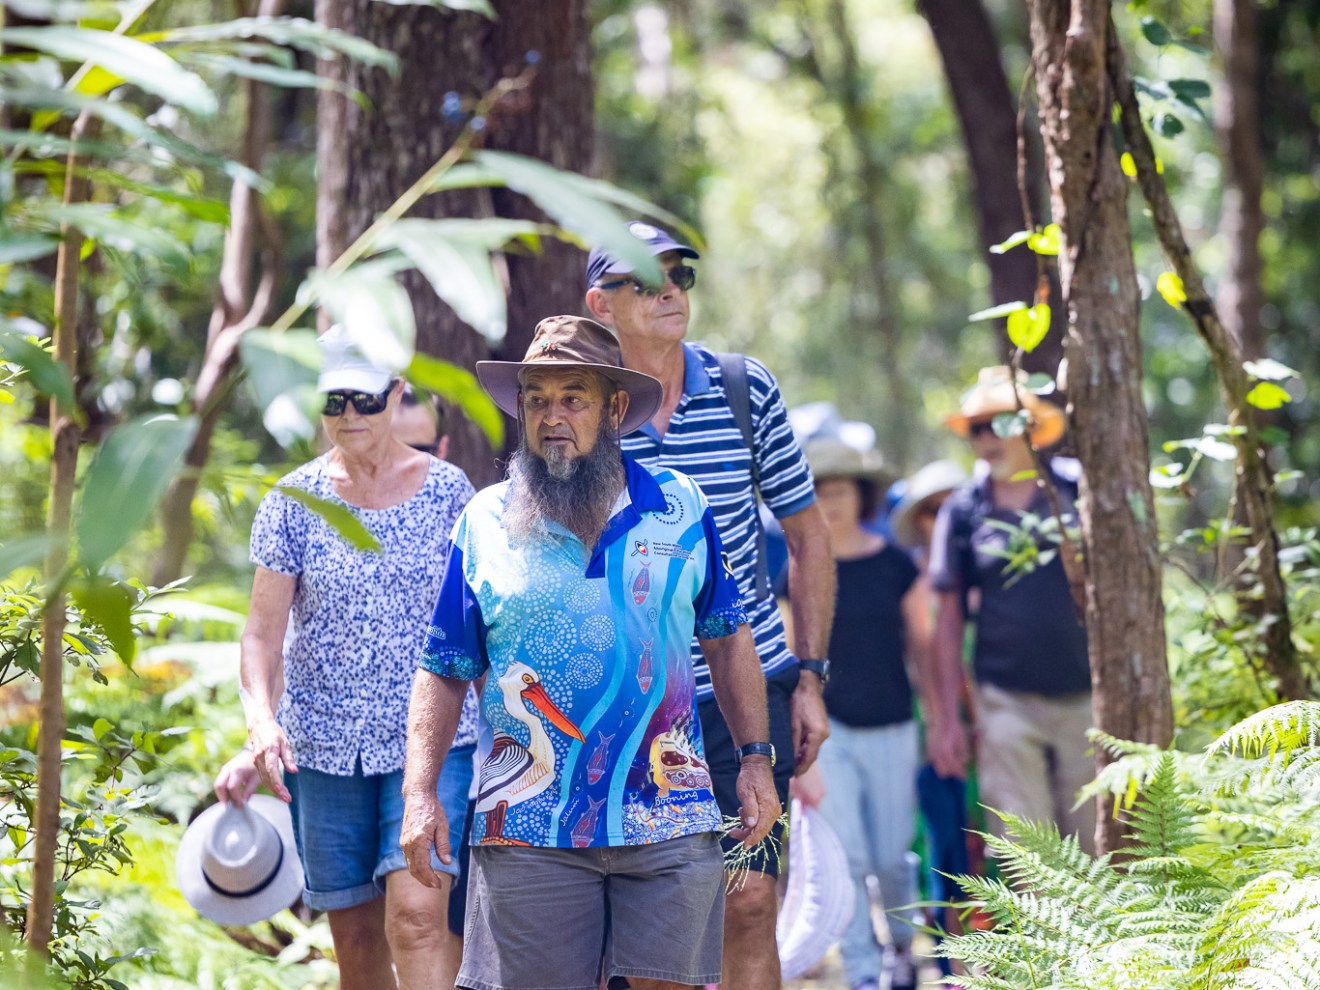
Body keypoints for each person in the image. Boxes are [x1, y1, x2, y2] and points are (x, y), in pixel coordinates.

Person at [401, 315, 781, 990]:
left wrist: (755, 759)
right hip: (528, 830)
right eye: (537, 399)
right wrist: (420, 794)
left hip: (668, 811)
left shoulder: (680, 507)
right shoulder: (484, 521)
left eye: (572, 397)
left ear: (612, 409)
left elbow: (727, 639)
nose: (552, 417)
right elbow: (443, 666)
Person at [584, 220, 834, 990]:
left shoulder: (742, 386)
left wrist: (813, 675)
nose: (668, 292)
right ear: (601, 304)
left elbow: (808, 534)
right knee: (643, 919)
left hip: (748, 692)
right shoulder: (581, 407)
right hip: (624, 699)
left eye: (679, 275)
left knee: (752, 899)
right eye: (644, 280)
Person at [236, 325, 475, 990]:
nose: (349, 417)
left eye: (366, 401)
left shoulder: (449, 492)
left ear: (397, 395)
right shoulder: (293, 501)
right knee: (359, 940)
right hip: (325, 746)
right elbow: (261, 636)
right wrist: (260, 718)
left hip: (432, 743)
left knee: (420, 916)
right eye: (333, 401)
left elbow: (477, 619)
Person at [925, 366, 1095, 853]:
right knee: (1026, 850)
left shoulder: (1076, 492)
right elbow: (948, 619)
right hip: (1004, 701)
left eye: (1000, 424)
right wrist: (946, 720)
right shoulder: (962, 510)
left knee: (1092, 847)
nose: (986, 439)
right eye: (977, 428)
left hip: (1086, 698)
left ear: (1030, 427)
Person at [800, 436, 927, 990]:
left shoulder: (897, 566)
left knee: (891, 855)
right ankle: (861, 972)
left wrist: (946, 717)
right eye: (820, 491)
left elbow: (924, 645)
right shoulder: (802, 571)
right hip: (833, 733)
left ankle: (902, 946)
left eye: (842, 490)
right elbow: (788, 656)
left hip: (895, 723)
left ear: (862, 495)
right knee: (847, 855)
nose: (832, 501)